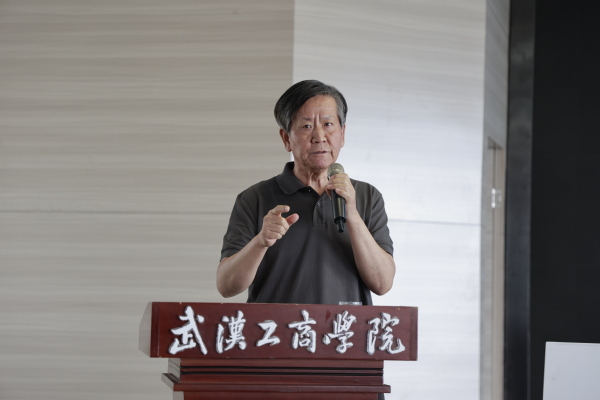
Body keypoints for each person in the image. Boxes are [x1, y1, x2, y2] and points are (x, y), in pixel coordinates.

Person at [217, 80, 395, 305]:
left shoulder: (368, 196)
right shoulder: (254, 198)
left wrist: (352, 214)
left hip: (344, 327)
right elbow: (226, 286)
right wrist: (260, 242)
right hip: (276, 328)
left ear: (342, 134)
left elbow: (382, 283)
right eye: (306, 126)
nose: (319, 136)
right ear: (286, 139)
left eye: (328, 124)